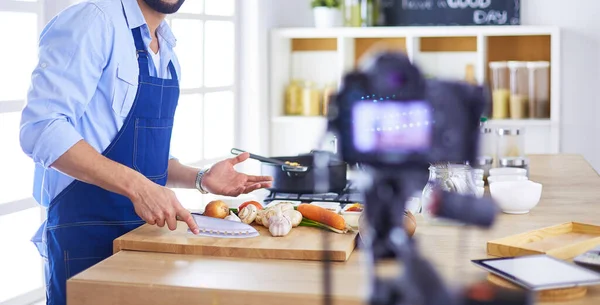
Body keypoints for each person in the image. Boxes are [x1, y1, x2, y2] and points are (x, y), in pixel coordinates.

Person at [19, 1, 273, 304]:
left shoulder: (165, 49)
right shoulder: (93, 21)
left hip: (146, 244)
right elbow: (41, 129)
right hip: (87, 243)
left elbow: (139, 156)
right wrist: (138, 188)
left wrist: (201, 178)